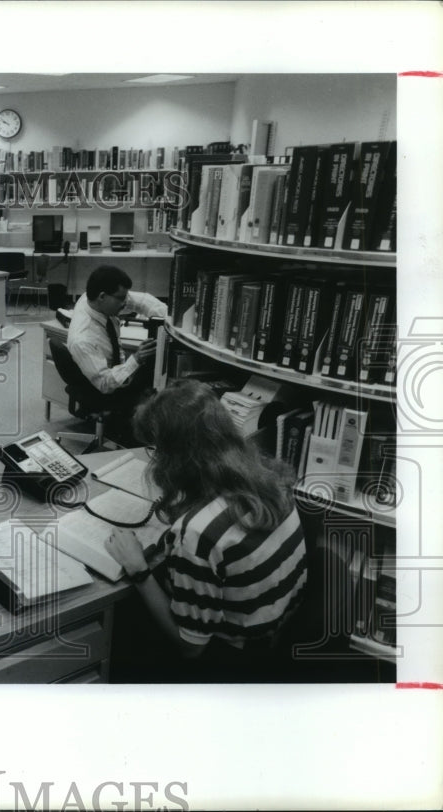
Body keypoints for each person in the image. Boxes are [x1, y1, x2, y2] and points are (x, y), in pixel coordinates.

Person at [103, 379, 309, 681]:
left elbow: (190, 648)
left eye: (156, 450)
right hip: (272, 630)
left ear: (174, 457)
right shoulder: (270, 479)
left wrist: (138, 569)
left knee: (122, 618)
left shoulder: (199, 534)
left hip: (230, 661)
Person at [66, 265, 167, 444]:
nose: (125, 303)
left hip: (115, 368)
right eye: (121, 299)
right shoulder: (83, 339)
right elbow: (105, 384)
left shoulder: (92, 298)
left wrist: (171, 321)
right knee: (159, 387)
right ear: (102, 296)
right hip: (105, 388)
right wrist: (135, 360)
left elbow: (143, 301)